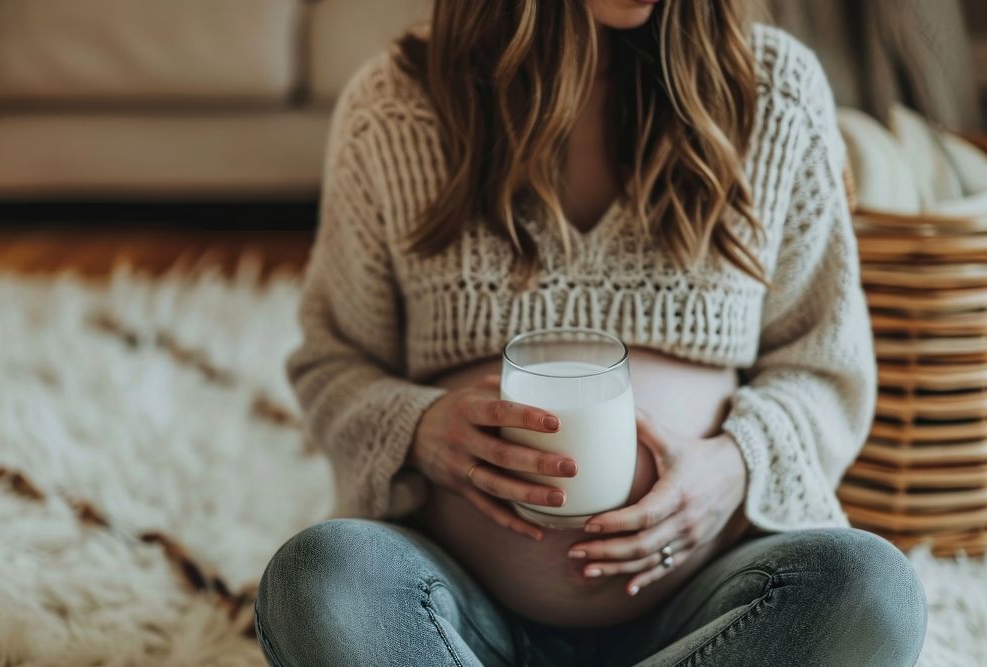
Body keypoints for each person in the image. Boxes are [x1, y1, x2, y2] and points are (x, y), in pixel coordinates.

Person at [254, 0, 928, 664]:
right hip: (455, 608)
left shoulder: (776, 94)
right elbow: (333, 362)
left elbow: (824, 367)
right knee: (319, 577)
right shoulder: (395, 107)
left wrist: (734, 464)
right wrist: (421, 429)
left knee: (873, 590)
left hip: (707, 609)